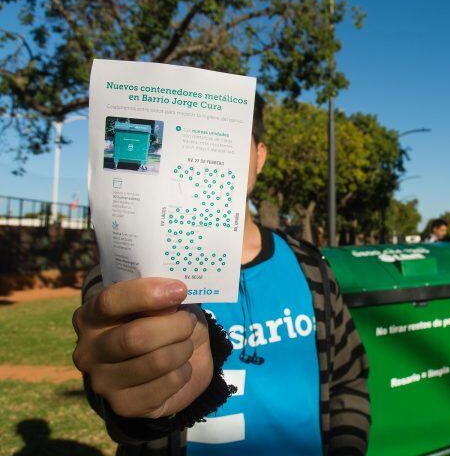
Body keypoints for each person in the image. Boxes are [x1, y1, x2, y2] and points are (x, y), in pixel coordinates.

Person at [72, 94, 371, 455]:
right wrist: (139, 407)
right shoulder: (130, 276)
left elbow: (349, 379)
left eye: (225, 135)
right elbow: (124, 411)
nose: (207, 156)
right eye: (192, 135)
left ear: (259, 156)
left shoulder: (311, 266)